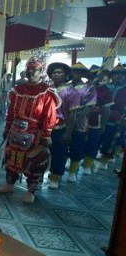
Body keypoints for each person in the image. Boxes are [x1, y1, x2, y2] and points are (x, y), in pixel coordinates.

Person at [0, 54, 60, 204]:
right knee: (11, 157)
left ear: (42, 71)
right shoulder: (18, 89)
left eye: (35, 69)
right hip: (15, 131)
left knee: (33, 161)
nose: (31, 72)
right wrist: (7, 127)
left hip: (34, 133)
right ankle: (9, 183)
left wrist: (46, 135)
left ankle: (31, 190)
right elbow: (11, 111)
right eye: (29, 68)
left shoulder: (46, 92)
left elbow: (49, 116)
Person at [47, 62, 80, 190]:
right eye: (54, 72)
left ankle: (55, 177)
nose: (56, 74)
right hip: (44, 128)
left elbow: (73, 114)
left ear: (66, 75)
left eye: (59, 72)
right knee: (41, 153)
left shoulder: (71, 92)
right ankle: (37, 175)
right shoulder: (47, 90)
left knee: (59, 154)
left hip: (60, 129)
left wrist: (68, 133)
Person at [67, 62, 96, 182]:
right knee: (61, 147)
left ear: (81, 74)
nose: (74, 74)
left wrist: (77, 119)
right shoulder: (66, 87)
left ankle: (73, 171)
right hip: (64, 122)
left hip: (79, 124)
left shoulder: (88, 89)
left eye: (77, 72)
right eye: (72, 72)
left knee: (76, 147)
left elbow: (88, 107)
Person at [83, 65, 113, 174]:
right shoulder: (83, 88)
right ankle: (73, 162)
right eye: (93, 75)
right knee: (77, 141)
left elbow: (106, 109)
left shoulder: (106, 91)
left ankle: (87, 164)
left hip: (95, 121)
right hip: (80, 121)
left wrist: (104, 124)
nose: (95, 77)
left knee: (92, 142)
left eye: (98, 75)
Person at [98, 64, 126, 169]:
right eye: (116, 74)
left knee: (110, 140)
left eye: (121, 74)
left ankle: (105, 160)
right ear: (112, 76)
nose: (119, 76)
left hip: (117, 119)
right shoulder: (105, 87)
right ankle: (90, 158)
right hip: (101, 116)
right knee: (97, 138)